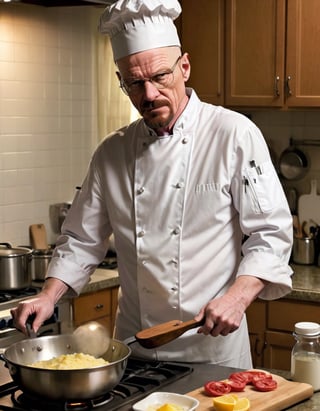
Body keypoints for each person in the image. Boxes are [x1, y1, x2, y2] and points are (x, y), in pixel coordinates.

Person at [11, 0, 293, 368]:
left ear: (185, 67)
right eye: (134, 83)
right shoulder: (112, 152)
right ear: (122, 82)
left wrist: (238, 297)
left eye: (160, 77)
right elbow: (82, 239)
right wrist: (48, 296)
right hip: (136, 349)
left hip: (212, 349)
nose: (148, 95)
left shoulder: (233, 135)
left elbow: (270, 234)